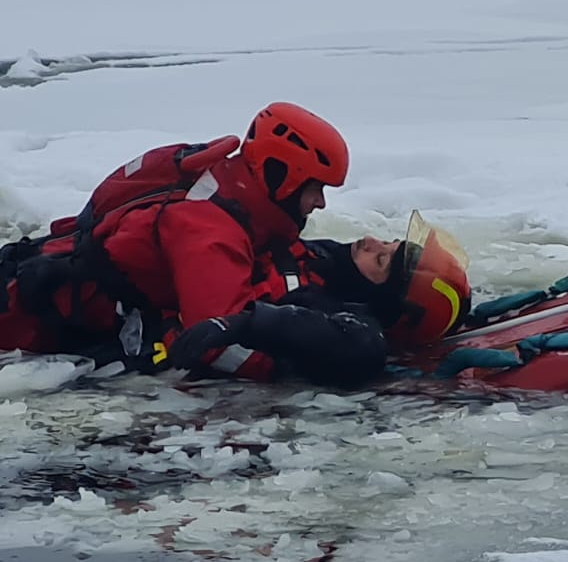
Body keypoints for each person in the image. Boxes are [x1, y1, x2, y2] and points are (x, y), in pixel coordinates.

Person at [0, 102, 351, 378]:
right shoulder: (211, 232)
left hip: (37, 271)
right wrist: (297, 368)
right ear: (284, 177)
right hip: (25, 325)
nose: (320, 202)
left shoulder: (217, 179)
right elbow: (216, 345)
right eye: (316, 188)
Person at [165, 214, 474, 389]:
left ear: (384, 300)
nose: (370, 241)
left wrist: (243, 323)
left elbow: (355, 346)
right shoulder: (327, 258)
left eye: (381, 259)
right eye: (388, 242)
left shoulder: (347, 323)